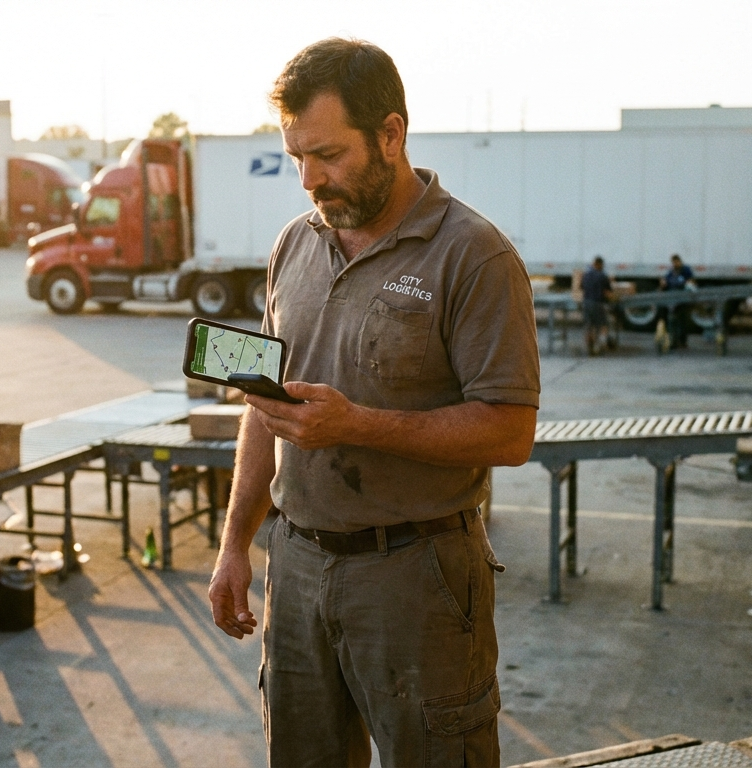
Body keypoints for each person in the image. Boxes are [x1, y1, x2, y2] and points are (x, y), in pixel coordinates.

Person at [207, 38, 539, 768]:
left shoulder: (473, 255)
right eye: (296, 156)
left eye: (327, 154)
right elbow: (265, 409)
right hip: (295, 564)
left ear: (391, 133)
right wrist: (236, 545)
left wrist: (357, 425)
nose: (307, 179)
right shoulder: (294, 245)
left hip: (415, 574)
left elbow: (510, 432)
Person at [660, 254, 696, 348]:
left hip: (682, 299)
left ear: (680, 261)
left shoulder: (686, 270)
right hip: (672, 300)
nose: (675, 264)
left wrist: (689, 285)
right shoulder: (671, 272)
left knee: (682, 321)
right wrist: (663, 284)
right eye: (673, 263)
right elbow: (665, 282)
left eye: (676, 262)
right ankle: (673, 342)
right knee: (672, 320)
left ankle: (682, 341)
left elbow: (691, 282)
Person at [581, 256, 614, 355]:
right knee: (602, 325)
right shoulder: (603, 276)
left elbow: (581, 287)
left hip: (586, 303)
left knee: (589, 326)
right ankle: (601, 344)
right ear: (600, 265)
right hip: (598, 303)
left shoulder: (586, 275)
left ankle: (589, 346)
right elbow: (607, 292)